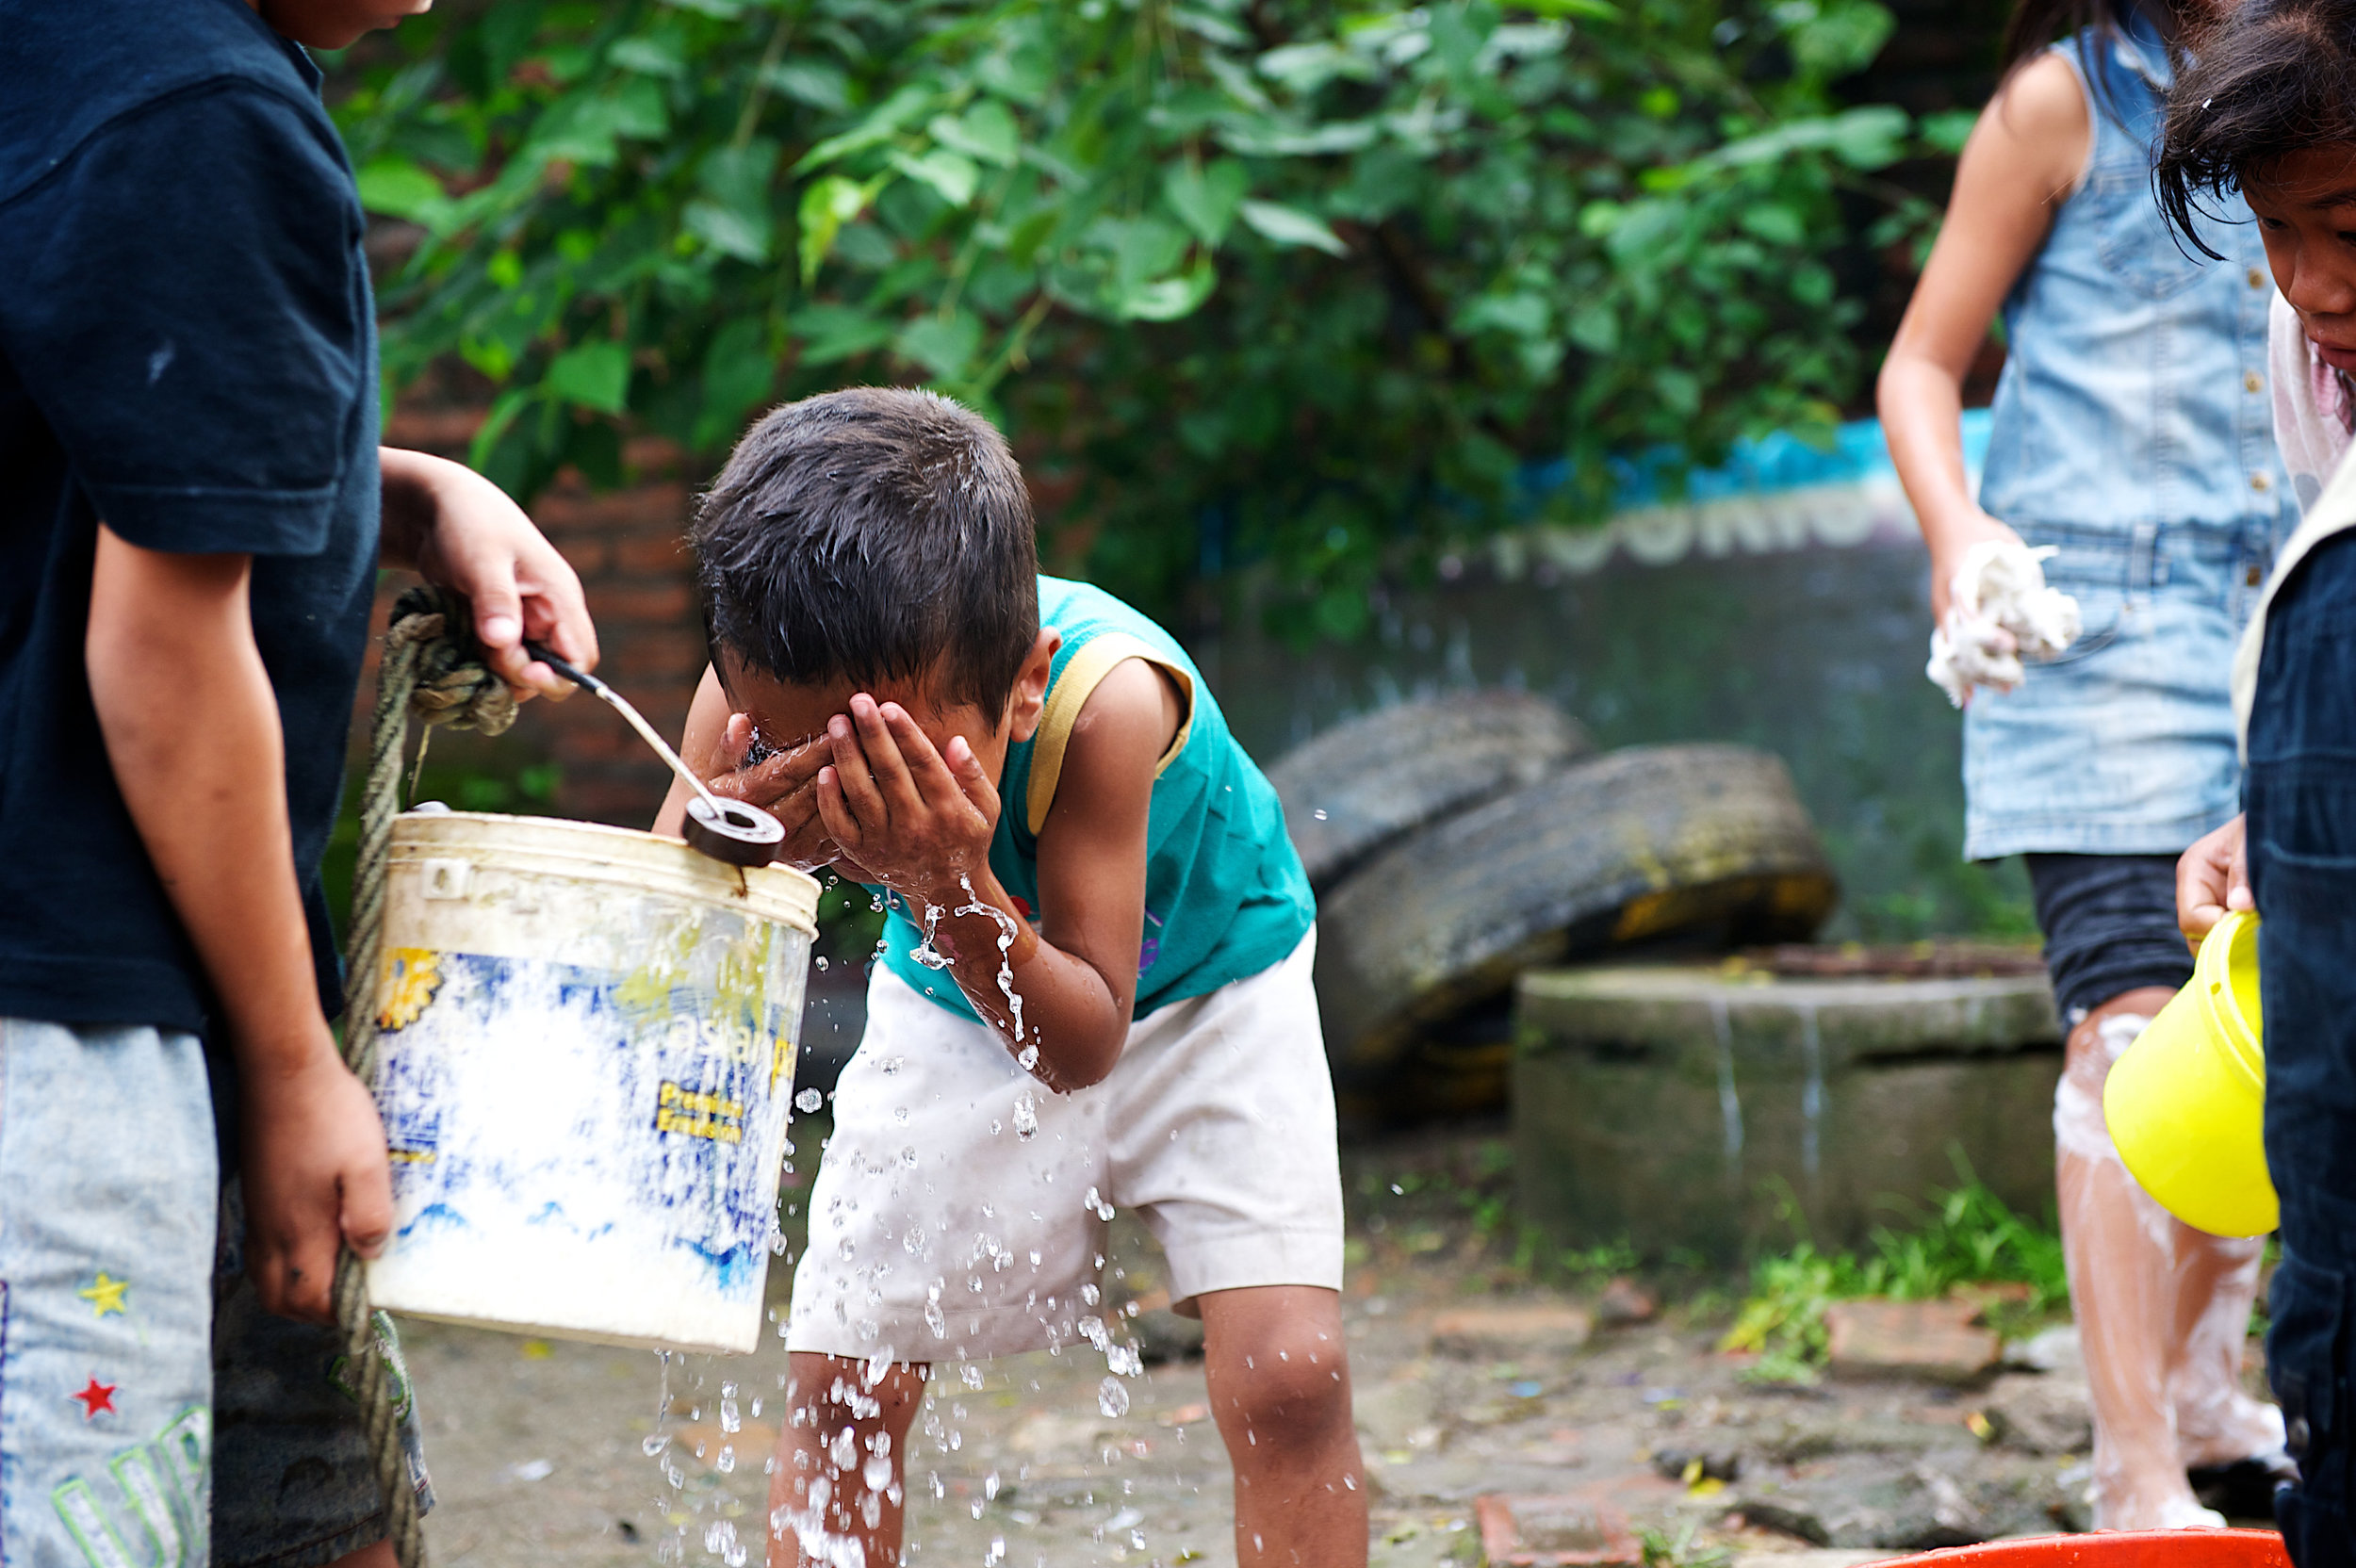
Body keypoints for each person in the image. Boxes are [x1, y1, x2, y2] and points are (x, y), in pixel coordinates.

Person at [0, 0, 597, 1563]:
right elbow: (163, 657)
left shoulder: (83, 51)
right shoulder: (198, 105)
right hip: (70, 1027)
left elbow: (77, 436)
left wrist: (395, 489)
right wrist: (293, 1062)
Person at [651, 387, 1366, 1567]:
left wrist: (940, 878)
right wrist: (745, 833)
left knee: (1291, 1371)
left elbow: (1084, 1039)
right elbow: (679, 907)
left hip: (1213, 985)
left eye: (889, 758)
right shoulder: (754, 688)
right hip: (950, 987)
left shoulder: (1109, 702)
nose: (848, 793)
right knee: (842, 1381)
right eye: (801, 750)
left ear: (1023, 684)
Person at [1876, 0, 2295, 1529]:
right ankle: (2132, 1466)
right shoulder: (2063, 102)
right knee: (2127, 1017)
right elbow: (1922, 365)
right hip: (2091, 627)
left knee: (2253, 1009)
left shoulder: (2324, 83)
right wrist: (1957, 533)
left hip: (2286, 607)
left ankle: (2201, 1386)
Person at [2160, 3, 2356, 1560]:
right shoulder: (2320, 370)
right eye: (2280, 237)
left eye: (2348, 228)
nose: (2312, 288)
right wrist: (2271, 825)